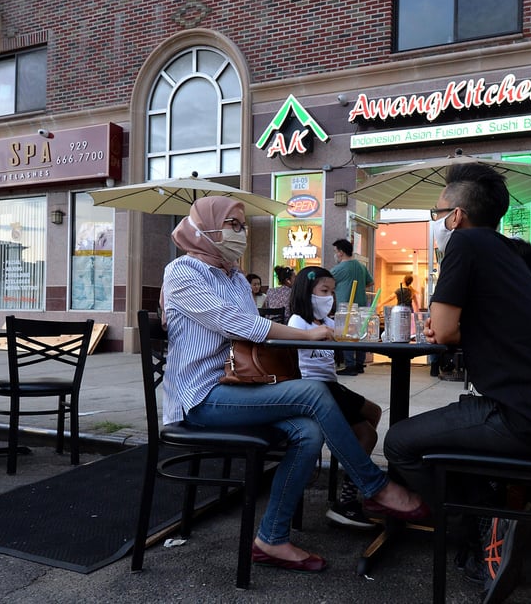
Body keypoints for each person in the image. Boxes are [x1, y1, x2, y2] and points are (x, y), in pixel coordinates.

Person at [162, 197, 426, 573]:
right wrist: (315, 334)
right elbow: (243, 326)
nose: (240, 232)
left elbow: (254, 340)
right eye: (232, 224)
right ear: (205, 227)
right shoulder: (182, 272)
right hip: (201, 397)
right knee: (315, 393)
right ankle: (375, 487)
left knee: (307, 431)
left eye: (242, 225)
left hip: (238, 388)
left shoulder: (235, 276)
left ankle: (271, 538)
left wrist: (316, 335)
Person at [383, 163, 531, 596]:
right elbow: (454, 325)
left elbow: (445, 330)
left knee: (399, 442)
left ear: (456, 216)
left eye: (437, 213)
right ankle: (484, 515)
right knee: (443, 438)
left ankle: (476, 526)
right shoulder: (505, 253)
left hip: (521, 419)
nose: (435, 222)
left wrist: (446, 325)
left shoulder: (465, 244)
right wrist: (447, 325)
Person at [286, 266, 383, 529]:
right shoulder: (298, 322)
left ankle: (350, 459)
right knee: (368, 434)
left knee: (373, 414)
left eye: (331, 292)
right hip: (312, 389)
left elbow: (347, 335)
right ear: (308, 293)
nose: (329, 297)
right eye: (323, 291)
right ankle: (348, 501)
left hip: (331, 386)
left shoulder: (329, 322)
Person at [329, 238, 373, 376]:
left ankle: (350, 366)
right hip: (361, 305)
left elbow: (327, 283)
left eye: (335, 252)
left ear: (341, 252)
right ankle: (360, 364)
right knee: (360, 335)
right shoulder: (361, 266)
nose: (335, 255)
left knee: (346, 335)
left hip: (345, 306)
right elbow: (370, 282)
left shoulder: (337, 269)